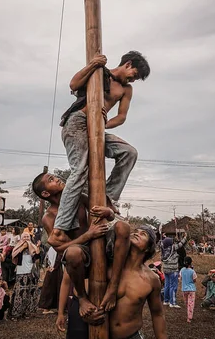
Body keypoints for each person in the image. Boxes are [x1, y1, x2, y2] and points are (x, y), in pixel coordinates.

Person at [53, 51, 150, 237]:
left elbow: (121, 117)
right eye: (135, 75)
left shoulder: (126, 90)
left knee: (129, 152)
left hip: (98, 129)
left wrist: (104, 123)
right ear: (128, 64)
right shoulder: (100, 72)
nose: (133, 80)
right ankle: (62, 225)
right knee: (80, 170)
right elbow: (73, 84)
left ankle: (108, 197)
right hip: (78, 123)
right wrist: (93, 64)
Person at [32, 171, 131, 314]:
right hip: (82, 256)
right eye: (51, 179)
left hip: (100, 244)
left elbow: (108, 216)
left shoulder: (79, 198)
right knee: (72, 252)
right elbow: (61, 250)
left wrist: (108, 212)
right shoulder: (49, 217)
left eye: (55, 176)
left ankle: (113, 288)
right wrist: (88, 235)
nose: (58, 179)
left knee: (123, 227)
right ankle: (82, 297)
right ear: (46, 194)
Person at [8, 232, 41, 320]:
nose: (26, 238)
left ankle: (27, 312)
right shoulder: (18, 246)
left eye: (27, 236)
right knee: (20, 293)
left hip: (31, 272)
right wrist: (23, 247)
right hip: (21, 272)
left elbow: (37, 257)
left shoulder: (33, 246)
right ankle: (16, 313)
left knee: (30, 293)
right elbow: (14, 255)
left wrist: (37, 247)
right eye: (24, 236)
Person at [161, 230, 188, 308]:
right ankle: (172, 302)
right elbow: (181, 244)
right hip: (173, 270)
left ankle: (166, 301)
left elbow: (163, 241)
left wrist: (163, 237)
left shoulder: (163, 249)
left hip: (165, 269)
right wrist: (185, 237)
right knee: (173, 286)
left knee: (167, 285)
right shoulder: (173, 248)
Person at [39, 246, 63, 314]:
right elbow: (51, 258)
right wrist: (53, 266)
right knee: (50, 287)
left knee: (55, 286)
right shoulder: (53, 248)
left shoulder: (55, 248)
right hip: (54, 269)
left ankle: (57, 307)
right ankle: (46, 307)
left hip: (56, 268)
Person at [179, 256, 197, 323]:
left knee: (187, 303)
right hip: (191, 289)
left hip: (184, 289)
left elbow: (180, 278)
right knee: (191, 304)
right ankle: (189, 317)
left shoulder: (182, 270)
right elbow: (194, 280)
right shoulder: (192, 271)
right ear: (190, 263)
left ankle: (188, 314)